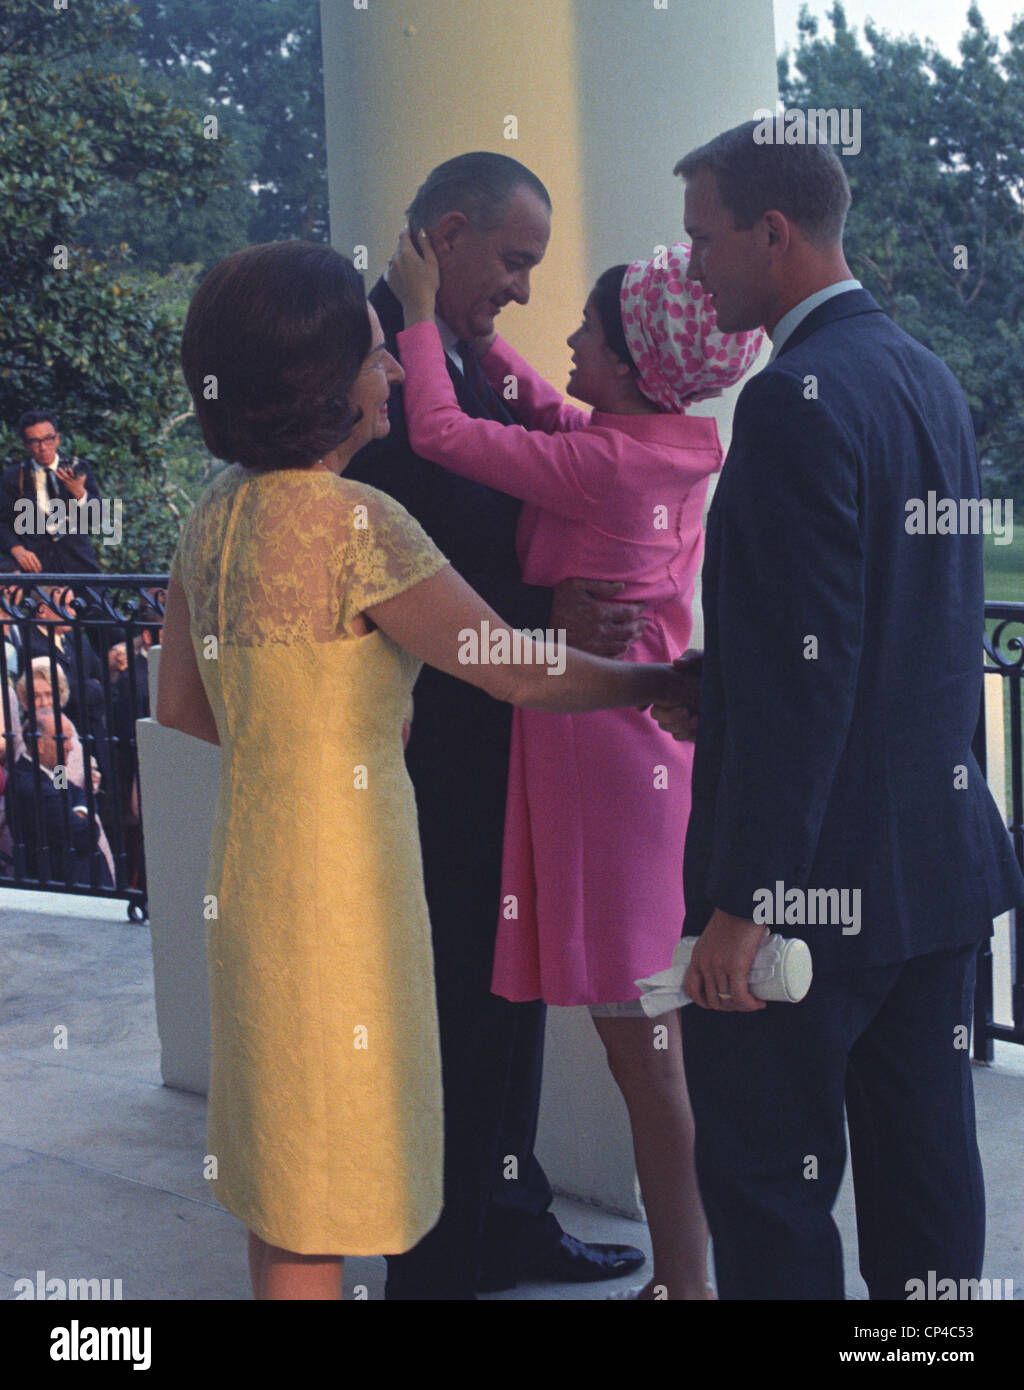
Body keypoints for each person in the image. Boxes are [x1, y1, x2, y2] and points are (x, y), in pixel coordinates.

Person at [156, 239, 690, 1301]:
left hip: (254, 874)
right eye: (372, 353)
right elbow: (519, 671)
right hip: (348, 890)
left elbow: (182, 707)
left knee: (282, 1170)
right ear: (320, 385)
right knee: (327, 1184)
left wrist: (316, 731)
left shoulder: (210, 520)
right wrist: (653, 682)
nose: (393, 370)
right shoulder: (361, 524)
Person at [654, 121, 1024, 1300]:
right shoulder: (923, 376)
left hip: (814, 894)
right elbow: (889, 623)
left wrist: (745, 902)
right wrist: (723, 684)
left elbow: (816, 670)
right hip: (933, 873)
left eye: (703, 237)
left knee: (767, 1194)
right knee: (926, 1170)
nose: (691, 264)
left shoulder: (792, 399)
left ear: (774, 233)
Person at [388, 228, 762, 1298]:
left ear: (636, 362)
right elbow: (561, 413)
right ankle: (687, 1279)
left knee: (645, 1065)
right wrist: (493, 344)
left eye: (587, 331)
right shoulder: (667, 442)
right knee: (645, 1056)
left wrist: (422, 314)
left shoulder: (603, 464)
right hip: (625, 762)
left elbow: (444, 432)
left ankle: (688, 1285)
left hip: (600, 766)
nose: (563, 335)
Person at [347, 151, 647, 1298]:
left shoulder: (455, 350)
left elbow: (535, 467)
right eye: (516, 260)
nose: (523, 287)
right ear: (452, 231)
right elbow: (421, 528)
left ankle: (509, 1214)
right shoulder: (362, 354)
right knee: (457, 1001)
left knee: (507, 983)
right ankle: (441, 1253)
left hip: (501, 730)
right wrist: (544, 605)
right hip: (434, 742)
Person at [10, 706, 110, 887]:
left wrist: (78, 811)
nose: (70, 747)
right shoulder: (33, 787)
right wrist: (84, 816)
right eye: (63, 740)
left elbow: (79, 793)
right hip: (64, 885)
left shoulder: (57, 772)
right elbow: (85, 835)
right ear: (39, 744)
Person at [0, 412, 102, 574]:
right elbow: (2, 522)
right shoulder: (14, 476)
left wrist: (80, 493)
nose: (43, 447)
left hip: (80, 567)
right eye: (34, 441)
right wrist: (17, 549)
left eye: (48, 439)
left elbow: (98, 518)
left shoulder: (77, 468)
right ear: (25, 445)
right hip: (37, 569)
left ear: (58, 439)